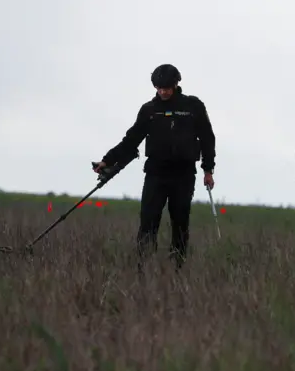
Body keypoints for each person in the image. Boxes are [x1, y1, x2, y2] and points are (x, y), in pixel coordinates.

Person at [93, 64, 216, 270]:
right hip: (155, 174)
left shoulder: (193, 107)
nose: (163, 92)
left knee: (180, 222)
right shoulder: (149, 110)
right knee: (148, 221)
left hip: (184, 174)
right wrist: (108, 160)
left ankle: (178, 267)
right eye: (159, 88)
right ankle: (143, 266)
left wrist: (208, 169)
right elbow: (131, 140)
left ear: (176, 84)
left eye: (166, 87)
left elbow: (207, 138)